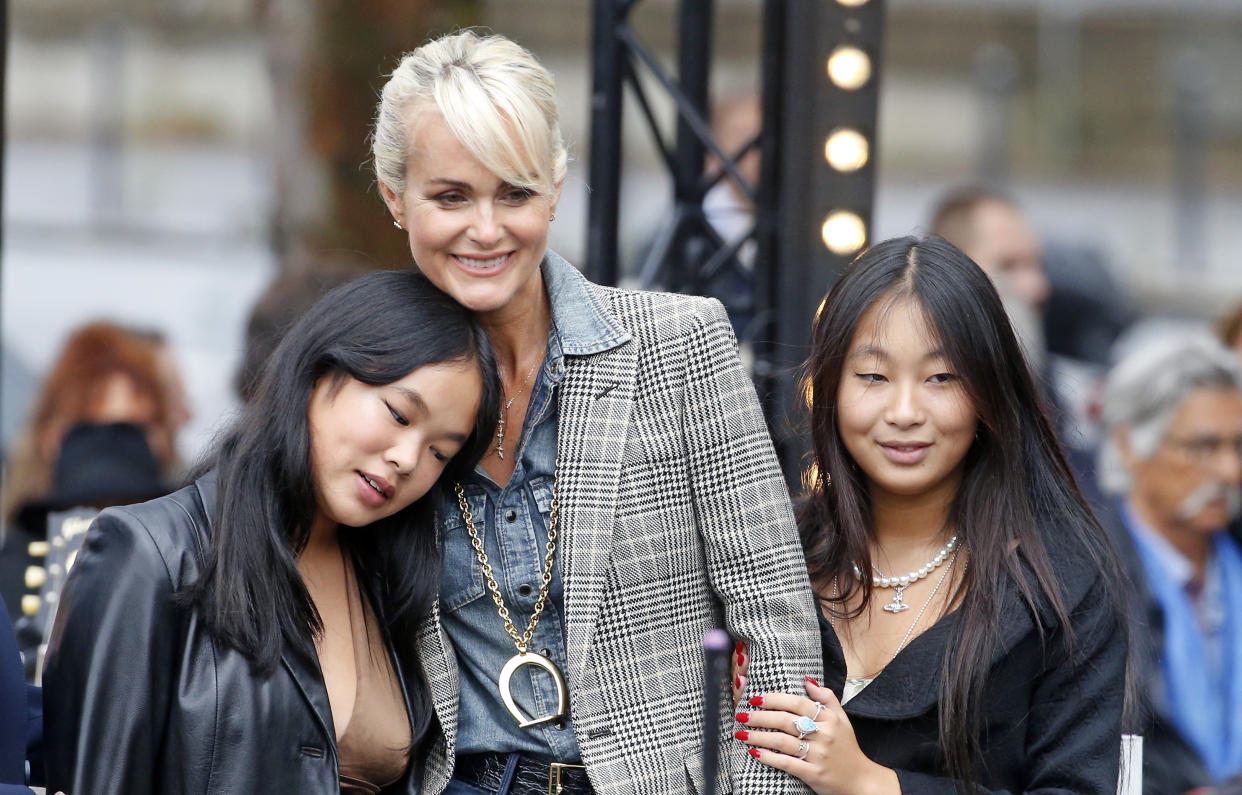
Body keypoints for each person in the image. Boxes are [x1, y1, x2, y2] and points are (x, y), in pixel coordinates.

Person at [372, 30, 820, 794]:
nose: (486, 229)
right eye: (451, 196)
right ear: (395, 199)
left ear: (554, 187)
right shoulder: (370, 380)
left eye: (514, 192)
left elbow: (774, 617)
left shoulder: (679, 343)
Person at [42, 271, 501, 794]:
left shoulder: (395, 585)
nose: (407, 458)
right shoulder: (151, 552)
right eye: (398, 414)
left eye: (441, 451)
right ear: (318, 371)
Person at [734, 237, 1129, 793]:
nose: (904, 412)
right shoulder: (764, 551)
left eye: (941, 378)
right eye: (872, 376)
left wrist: (875, 785)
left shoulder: (1062, 584)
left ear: (991, 392)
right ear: (828, 385)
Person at [1096, 333, 1242, 792]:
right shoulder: (1084, 577)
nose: (1229, 471)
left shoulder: (1233, 561)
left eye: (1239, 446)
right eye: (1202, 447)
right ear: (1128, 445)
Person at [0, 321, 180, 624]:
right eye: (91, 430)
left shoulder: (183, 556)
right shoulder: (16, 563)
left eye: (135, 428)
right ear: (51, 437)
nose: (112, 449)